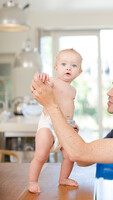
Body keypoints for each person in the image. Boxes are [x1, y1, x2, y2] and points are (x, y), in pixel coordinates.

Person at [31, 62, 113, 200]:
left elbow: (79, 154)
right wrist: (68, 132)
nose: (109, 92)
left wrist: (51, 104)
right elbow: (84, 160)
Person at [28, 48, 82, 193]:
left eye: (74, 65)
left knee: (70, 156)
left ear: (80, 72)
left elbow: (69, 110)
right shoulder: (52, 82)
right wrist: (39, 78)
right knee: (41, 155)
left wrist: (73, 124)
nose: (69, 68)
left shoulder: (73, 90)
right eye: (64, 64)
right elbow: (37, 84)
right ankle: (32, 181)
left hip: (66, 126)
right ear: (56, 68)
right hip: (49, 125)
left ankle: (63, 178)